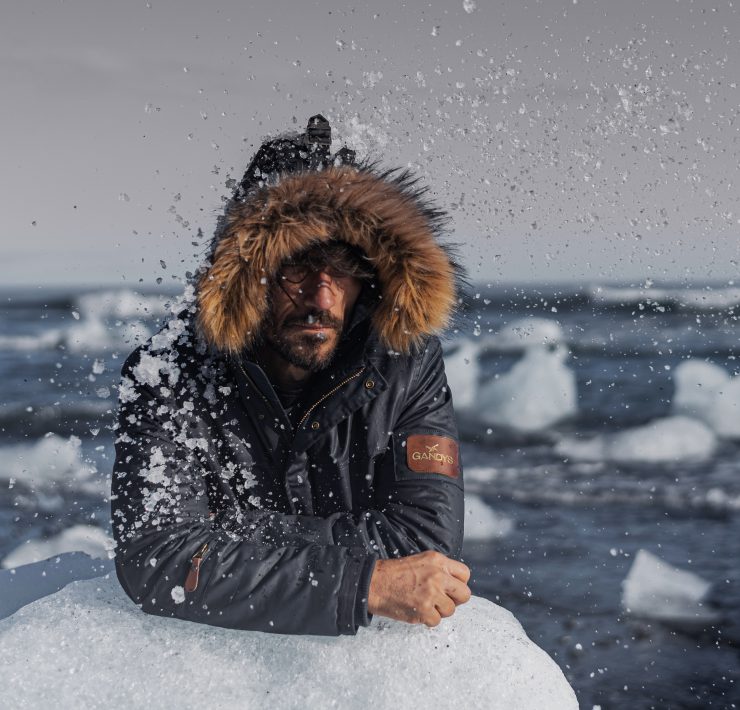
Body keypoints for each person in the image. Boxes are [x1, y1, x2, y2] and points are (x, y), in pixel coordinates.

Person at [111, 114, 471, 636]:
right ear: (247, 272)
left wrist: (223, 538)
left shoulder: (405, 361)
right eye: (297, 268)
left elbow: (425, 545)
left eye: (341, 268)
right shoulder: (169, 372)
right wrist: (362, 584)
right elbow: (156, 557)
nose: (322, 299)